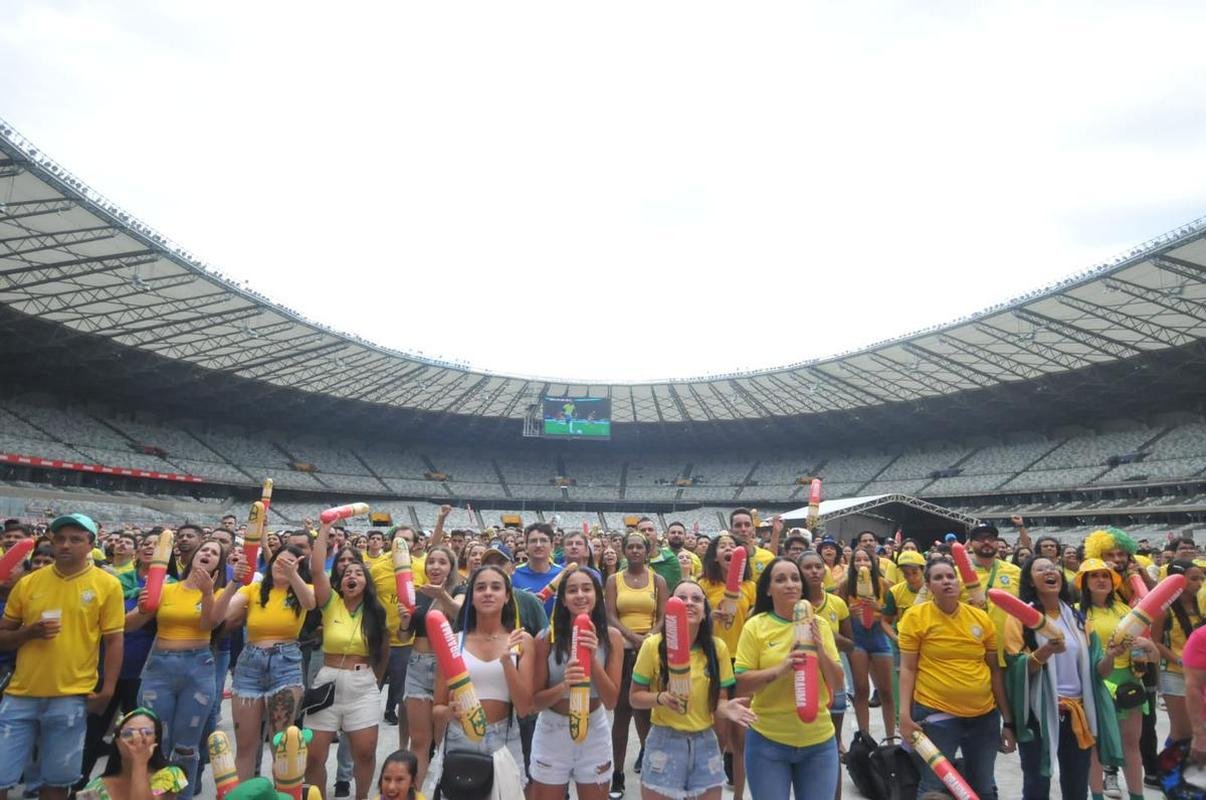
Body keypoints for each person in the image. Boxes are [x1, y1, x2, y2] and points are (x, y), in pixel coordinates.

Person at [0, 513, 125, 800]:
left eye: (75, 539)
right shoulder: (29, 583)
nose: (66, 545)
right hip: (20, 695)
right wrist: (27, 634)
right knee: (2, 777)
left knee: (57, 781)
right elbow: (2, 636)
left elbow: (115, 641)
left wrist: (107, 691)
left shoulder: (107, 585)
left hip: (71, 697)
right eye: (60, 539)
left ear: (91, 544)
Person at [1004, 556, 1122, 800]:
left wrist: (1110, 656)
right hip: (1039, 713)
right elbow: (1017, 671)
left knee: (1077, 785)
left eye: (1052, 567)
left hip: (1077, 713)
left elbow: (1097, 673)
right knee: (1037, 783)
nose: (1050, 571)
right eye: (1041, 569)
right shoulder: (1020, 619)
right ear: (1031, 581)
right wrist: (1045, 651)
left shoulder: (1078, 619)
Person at [898, 559, 1016, 799]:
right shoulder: (915, 617)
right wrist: (905, 716)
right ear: (929, 586)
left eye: (950, 576)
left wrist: (1008, 721)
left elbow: (994, 671)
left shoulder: (981, 618)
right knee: (934, 787)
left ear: (958, 581)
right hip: (936, 716)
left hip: (984, 717)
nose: (946, 582)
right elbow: (908, 669)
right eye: (938, 578)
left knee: (983, 788)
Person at [631, 579, 757, 800]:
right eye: (681, 598)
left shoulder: (718, 649)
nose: (689, 603)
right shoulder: (653, 646)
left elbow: (720, 699)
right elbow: (634, 698)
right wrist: (660, 697)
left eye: (696, 599)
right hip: (664, 741)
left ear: (705, 613)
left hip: (704, 742)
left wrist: (726, 709)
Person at [124, 538, 227, 798]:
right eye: (204, 549)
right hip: (160, 669)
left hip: (198, 669)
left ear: (219, 564)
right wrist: (143, 606)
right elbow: (130, 625)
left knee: (186, 747)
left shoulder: (217, 594)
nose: (208, 553)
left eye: (215, 553)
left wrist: (206, 593)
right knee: (151, 741)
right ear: (192, 556)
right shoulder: (166, 588)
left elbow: (209, 625)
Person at [735, 557, 844, 800]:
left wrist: (820, 651)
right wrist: (781, 668)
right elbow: (742, 683)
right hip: (767, 741)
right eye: (781, 579)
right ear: (768, 589)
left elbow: (836, 683)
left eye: (795, 578)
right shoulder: (756, 626)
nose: (790, 585)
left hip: (819, 742)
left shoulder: (821, 625)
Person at [208, 544, 316, 781]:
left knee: (281, 743)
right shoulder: (254, 589)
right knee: (246, 744)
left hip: (285, 663)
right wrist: (234, 583)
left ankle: (283, 794)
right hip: (250, 663)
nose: (283, 566)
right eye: (280, 561)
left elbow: (310, 602)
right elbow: (221, 615)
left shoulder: (302, 589)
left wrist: (292, 575)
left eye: (291, 562)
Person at [429, 565, 534, 795]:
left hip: (505, 738)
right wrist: (449, 713)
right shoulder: (452, 642)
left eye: (496, 587)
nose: (488, 592)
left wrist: (507, 662)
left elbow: (525, 707)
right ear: (471, 597)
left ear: (507, 596)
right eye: (480, 587)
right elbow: (436, 707)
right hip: (459, 737)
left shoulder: (521, 640)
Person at [304, 521, 390, 800]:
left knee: (364, 753)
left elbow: (384, 651)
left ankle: (361, 796)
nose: (352, 575)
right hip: (327, 680)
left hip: (362, 685)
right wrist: (323, 530)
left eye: (358, 572)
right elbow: (316, 569)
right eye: (347, 572)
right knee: (313, 756)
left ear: (366, 582)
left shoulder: (376, 613)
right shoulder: (330, 603)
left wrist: (373, 681)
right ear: (340, 582)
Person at [530, 566, 624, 799]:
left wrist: (590, 658)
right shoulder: (545, 638)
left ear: (597, 595)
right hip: (553, 729)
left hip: (594, 729)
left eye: (586, 589)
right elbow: (535, 702)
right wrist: (564, 686)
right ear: (562, 599)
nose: (580, 595)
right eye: (572, 590)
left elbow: (611, 700)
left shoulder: (612, 637)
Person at [605, 531, 668, 797]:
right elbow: (609, 614)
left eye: (638, 547)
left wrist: (649, 637)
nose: (634, 551)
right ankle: (617, 774)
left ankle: (652, 771)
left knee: (646, 716)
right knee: (621, 716)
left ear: (647, 550)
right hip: (623, 650)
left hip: (649, 652)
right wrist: (632, 637)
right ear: (623, 550)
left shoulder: (658, 580)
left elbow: (665, 616)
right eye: (629, 547)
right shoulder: (613, 580)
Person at [396, 545, 464, 788]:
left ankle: (443, 789)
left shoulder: (459, 589)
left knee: (446, 738)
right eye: (431, 562)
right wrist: (404, 623)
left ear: (451, 567)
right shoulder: (417, 593)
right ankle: (415, 793)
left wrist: (441, 595)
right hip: (416, 663)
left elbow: (460, 612)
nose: (435, 566)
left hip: (446, 667)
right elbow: (405, 637)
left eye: (442, 562)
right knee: (419, 741)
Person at [698, 532, 756, 799]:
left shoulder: (750, 587)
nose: (729, 549)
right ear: (714, 554)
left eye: (733, 545)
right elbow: (694, 622)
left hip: (742, 661)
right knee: (718, 734)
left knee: (741, 736)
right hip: (715, 660)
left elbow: (756, 621)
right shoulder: (703, 585)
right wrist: (710, 615)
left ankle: (738, 795)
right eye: (723, 546)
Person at [837, 547, 896, 739]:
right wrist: (849, 611)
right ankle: (865, 737)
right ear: (852, 563)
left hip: (879, 638)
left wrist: (877, 607)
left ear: (873, 563)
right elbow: (838, 612)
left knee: (886, 691)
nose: (862, 563)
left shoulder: (884, 584)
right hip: (858, 639)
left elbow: (892, 615)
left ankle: (890, 738)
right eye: (858, 560)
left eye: (866, 560)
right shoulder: (846, 585)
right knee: (861, 689)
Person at [80, 708, 188, 799]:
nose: (137, 739)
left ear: (156, 741)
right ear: (117, 742)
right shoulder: (95, 788)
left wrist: (140, 762)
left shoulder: (171, 775)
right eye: (128, 734)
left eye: (147, 732)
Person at [1152, 560, 1205, 744]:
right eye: (1194, 579)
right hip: (1174, 673)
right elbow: (1155, 641)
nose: (1199, 583)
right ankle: (1170, 772)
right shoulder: (1165, 610)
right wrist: (1180, 661)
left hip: (1201, 674)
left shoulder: (1203, 607)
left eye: (1202, 578)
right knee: (1182, 731)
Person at [512, 523, 564, 616]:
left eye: (543, 540)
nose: (538, 545)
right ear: (526, 547)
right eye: (533, 541)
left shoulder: (563, 574)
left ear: (552, 546)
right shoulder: (513, 574)